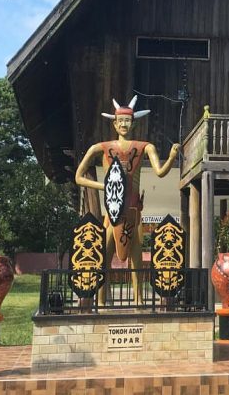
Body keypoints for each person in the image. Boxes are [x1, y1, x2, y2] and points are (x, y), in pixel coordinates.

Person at [75, 96, 179, 303]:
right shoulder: (100, 147)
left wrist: (172, 157)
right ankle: (101, 302)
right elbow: (78, 177)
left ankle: (139, 301)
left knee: (137, 260)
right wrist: (105, 186)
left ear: (133, 122)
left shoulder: (145, 147)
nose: (123, 124)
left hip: (134, 212)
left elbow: (159, 172)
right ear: (114, 123)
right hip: (112, 214)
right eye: (120, 121)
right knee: (104, 258)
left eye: (127, 121)